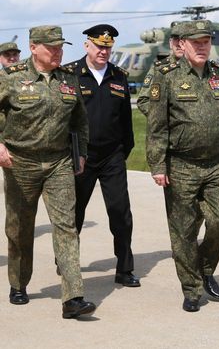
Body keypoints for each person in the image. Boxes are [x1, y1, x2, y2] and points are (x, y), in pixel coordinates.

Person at [146, 20, 219, 312]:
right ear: (182, 45)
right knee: (183, 230)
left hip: (215, 165)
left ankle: (205, 267)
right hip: (181, 165)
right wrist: (158, 164)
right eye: (196, 42)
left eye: (206, 41)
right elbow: (157, 126)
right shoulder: (167, 76)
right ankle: (191, 288)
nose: (202, 47)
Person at [0, 25, 96, 319]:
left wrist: (81, 154)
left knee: (66, 227)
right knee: (19, 228)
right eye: (51, 47)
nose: (58, 52)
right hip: (21, 162)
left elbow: (80, 120)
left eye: (60, 47)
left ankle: (73, 297)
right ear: (33, 47)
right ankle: (18, 283)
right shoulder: (10, 78)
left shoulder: (68, 79)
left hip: (59, 163)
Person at [64, 24, 139, 287]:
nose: (103, 51)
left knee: (120, 213)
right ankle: (67, 263)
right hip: (80, 156)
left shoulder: (119, 75)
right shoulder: (70, 74)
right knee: (74, 215)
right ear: (87, 45)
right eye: (99, 46)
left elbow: (126, 122)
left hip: (112, 156)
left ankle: (124, 268)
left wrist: (122, 151)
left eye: (108, 47)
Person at [136, 20, 186, 116]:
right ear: (171, 43)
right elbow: (143, 101)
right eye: (176, 39)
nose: (179, 44)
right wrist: (165, 119)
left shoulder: (202, 68)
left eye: (183, 40)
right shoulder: (158, 69)